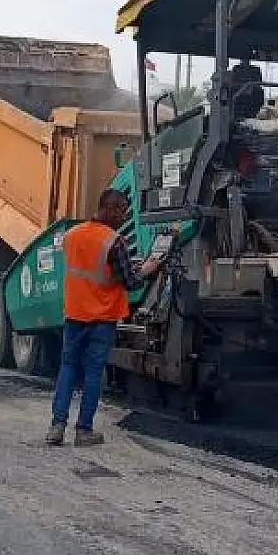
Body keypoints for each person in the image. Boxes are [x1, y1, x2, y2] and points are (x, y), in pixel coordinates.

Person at [45, 188, 163, 447]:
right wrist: (147, 269)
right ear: (111, 208)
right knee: (93, 373)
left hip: (75, 313)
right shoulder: (115, 241)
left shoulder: (72, 235)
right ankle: (84, 430)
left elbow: (92, 268)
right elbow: (131, 283)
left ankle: (57, 426)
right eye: (122, 211)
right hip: (102, 317)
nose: (123, 217)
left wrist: (126, 267)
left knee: (67, 368)